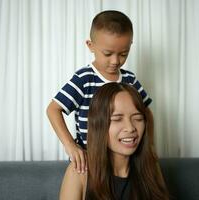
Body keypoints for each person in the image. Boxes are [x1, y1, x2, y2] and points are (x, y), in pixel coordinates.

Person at [46, 10, 153, 174]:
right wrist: (71, 146)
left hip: (124, 162)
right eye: (108, 53)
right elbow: (53, 109)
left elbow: (146, 112)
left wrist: (149, 146)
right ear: (91, 46)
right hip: (90, 163)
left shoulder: (130, 80)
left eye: (123, 54)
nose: (116, 61)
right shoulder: (84, 79)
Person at [59, 83, 169, 200]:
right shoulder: (79, 172)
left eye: (138, 118)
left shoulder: (151, 166)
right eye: (117, 119)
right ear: (99, 125)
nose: (130, 128)